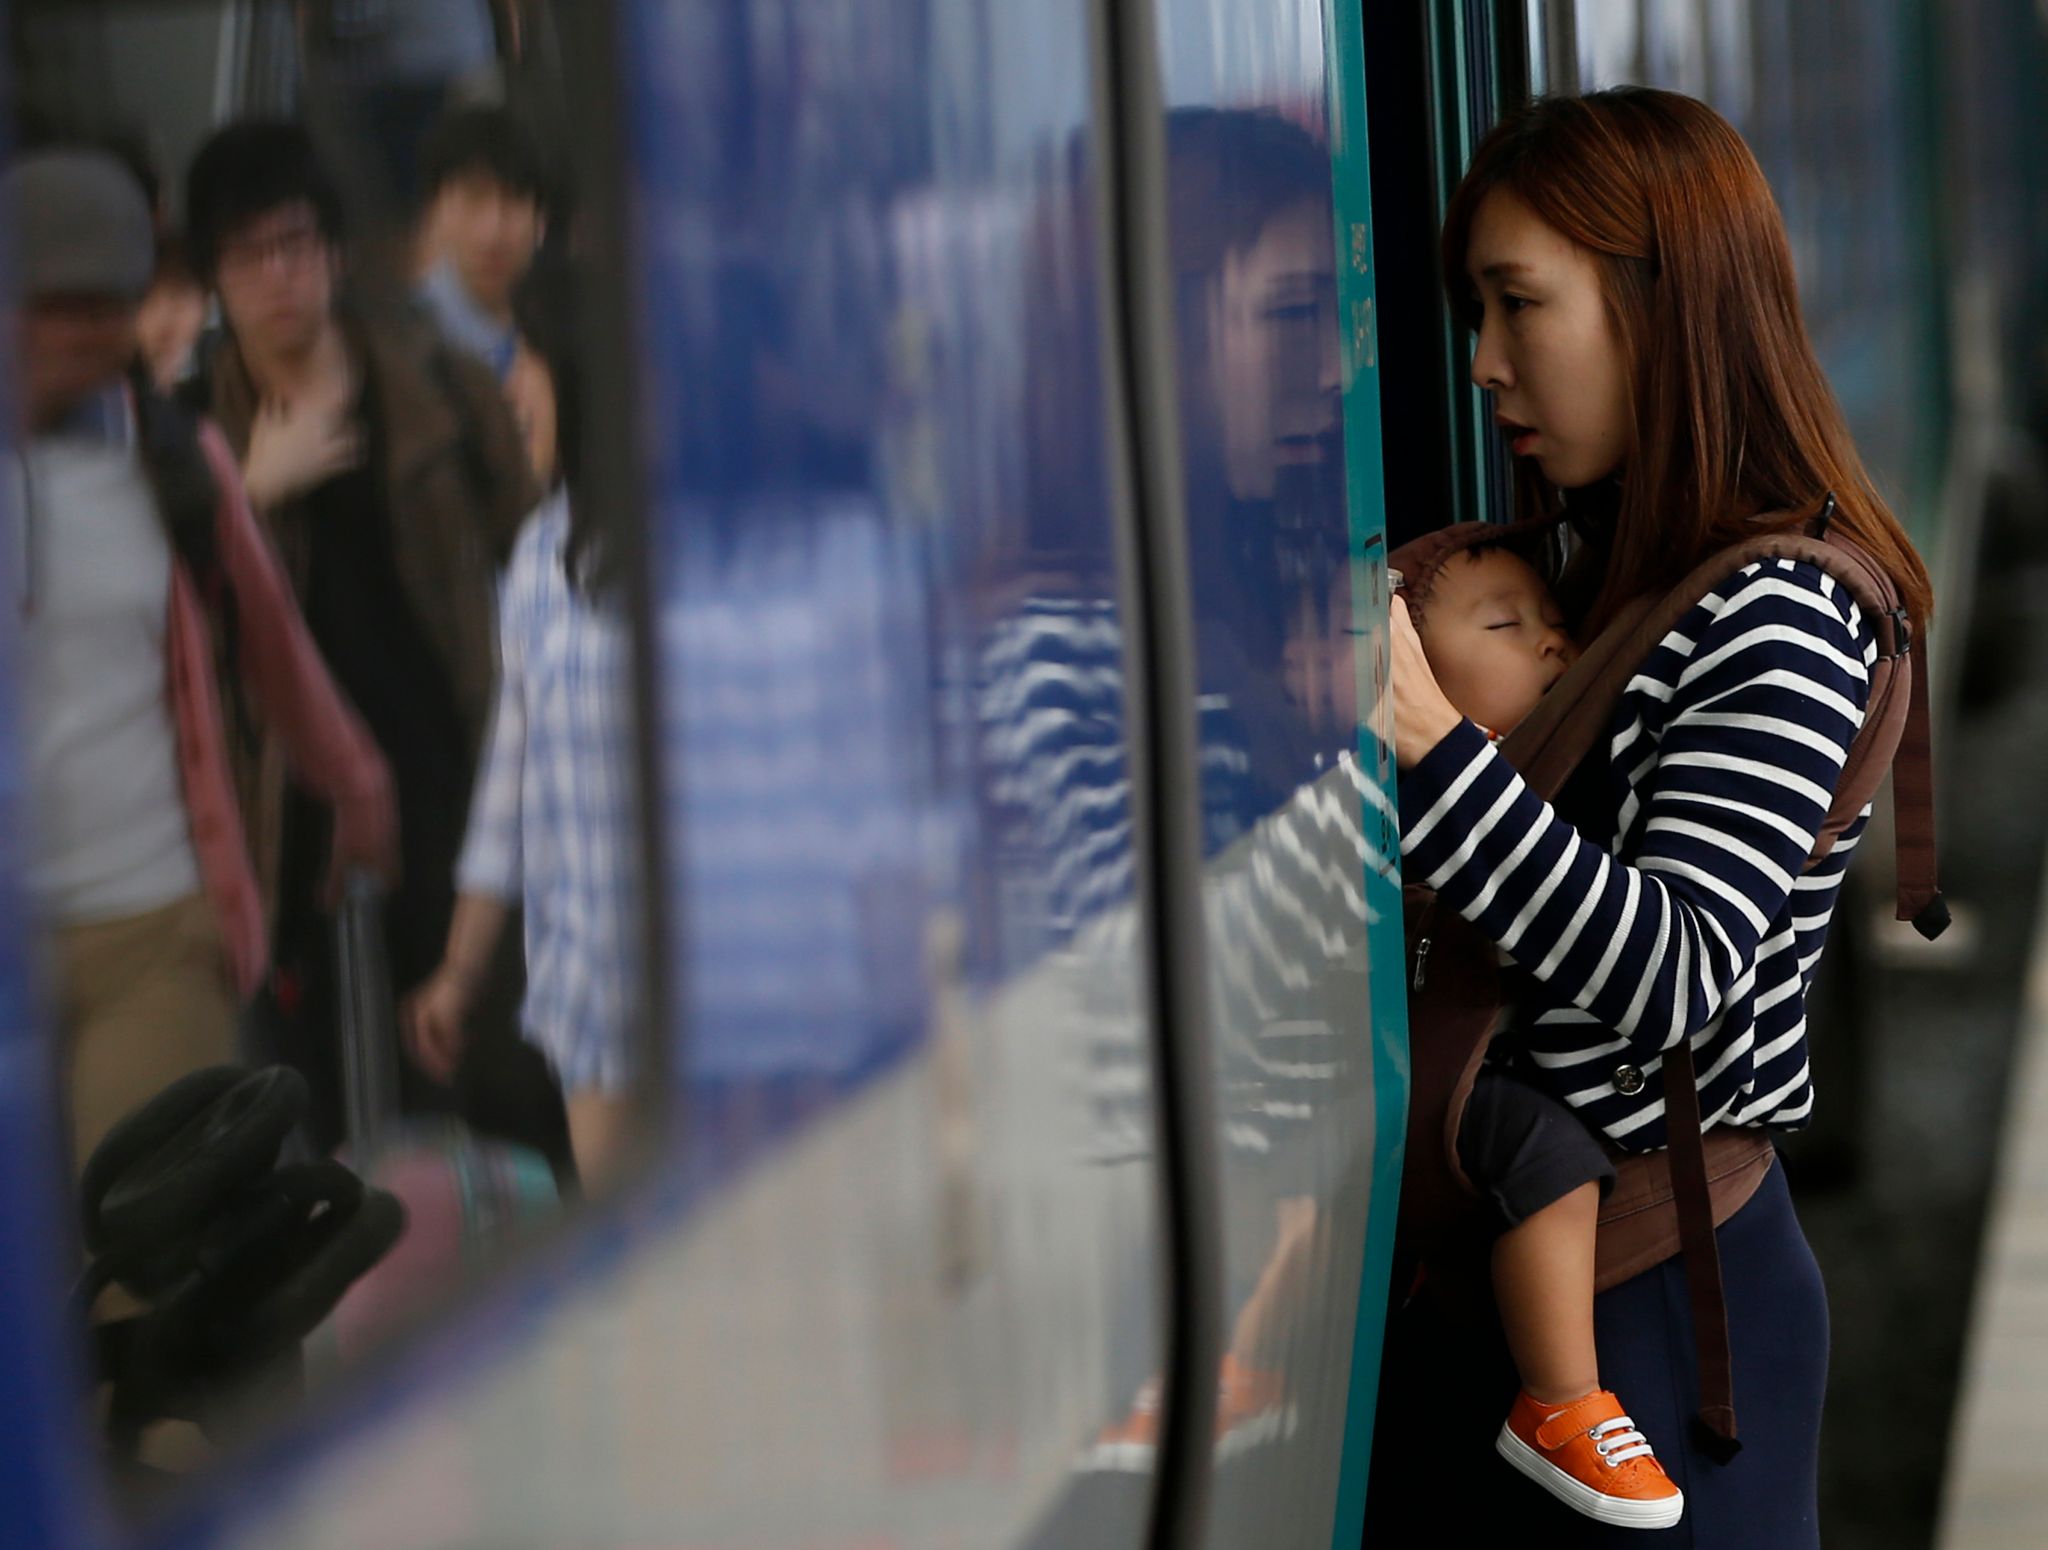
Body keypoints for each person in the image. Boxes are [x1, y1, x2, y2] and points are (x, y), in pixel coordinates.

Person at [1375, 88, 1934, 1546]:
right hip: (1551, 1283)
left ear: (1658, 305)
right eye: (1476, 312)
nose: (1483, 361)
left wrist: (1431, 743)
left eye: (1518, 304)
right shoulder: (1618, 566)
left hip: (1664, 1306)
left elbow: (1678, 970)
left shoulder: (1779, 609)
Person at [0, 148, 395, 1167]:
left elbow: (276, 645)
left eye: (106, 303)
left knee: (153, 1236)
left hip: (151, 927)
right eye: (52, 304)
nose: (81, 330)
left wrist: (355, 783)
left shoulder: (176, 460)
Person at [182, 120, 538, 1152]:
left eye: (295, 243)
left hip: (451, 788)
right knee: (325, 1126)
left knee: (496, 1093)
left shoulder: (439, 388)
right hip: (291, 828)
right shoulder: (190, 437)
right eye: (247, 255)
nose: (278, 275)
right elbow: (176, 644)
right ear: (214, 277)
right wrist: (249, 496)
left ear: (334, 248)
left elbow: (534, 557)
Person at [1406, 542, 1691, 1528]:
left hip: (1466, 1058)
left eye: (1551, 621)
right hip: (1410, 1058)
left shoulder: (1546, 758)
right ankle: (1562, 1400)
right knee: (1548, 1157)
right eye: (1502, 624)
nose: (1551, 642)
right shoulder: (1420, 770)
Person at [402, 478, 640, 1187]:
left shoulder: (710, 517)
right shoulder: (541, 547)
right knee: (631, 1237)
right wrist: (459, 973)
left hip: (719, 989)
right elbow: (507, 787)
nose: (515, 415)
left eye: (531, 366)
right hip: (590, 995)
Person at [413, 104, 557, 486]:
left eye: (512, 202)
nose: (493, 231)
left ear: (541, 219)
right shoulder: (405, 340)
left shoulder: (571, 328)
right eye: (473, 201)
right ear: (435, 212)